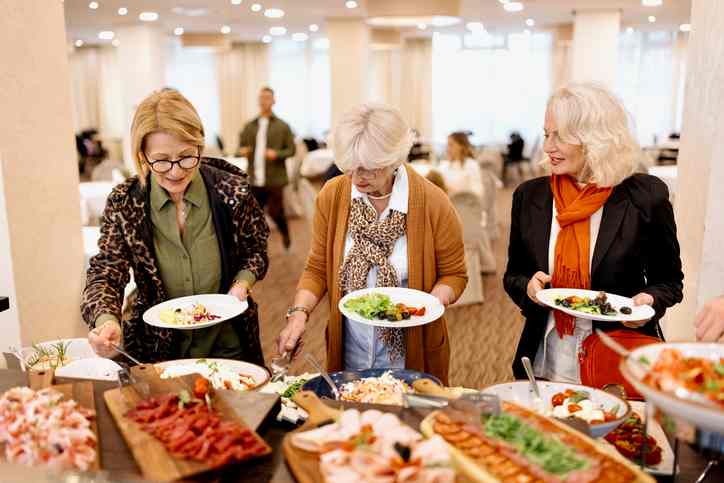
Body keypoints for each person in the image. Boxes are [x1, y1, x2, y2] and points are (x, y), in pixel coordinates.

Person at [275, 103, 468, 384]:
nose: (357, 178)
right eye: (350, 167)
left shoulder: (433, 202)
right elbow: (317, 268)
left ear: (394, 158)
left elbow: (455, 274)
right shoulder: (333, 195)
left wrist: (430, 304)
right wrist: (298, 314)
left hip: (412, 353)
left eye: (368, 168)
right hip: (350, 349)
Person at [504, 83, 684, 381]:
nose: (547, 147)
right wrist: (529, 287)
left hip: (615, 357)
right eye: (547, 134)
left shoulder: (644, 197)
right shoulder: (530, 197)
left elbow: (669, 282)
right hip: (546, 358)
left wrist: (647, 303)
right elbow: (513, 275)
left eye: (560, 136)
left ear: (594, 138)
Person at [82, 88, 270, 364]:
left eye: (186, 156)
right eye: (161, 160)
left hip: (228, 343)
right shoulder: (124, 203)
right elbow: (106, 272)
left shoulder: (231, 190)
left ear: (199, 146)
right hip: (157, 350)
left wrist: (241, 284)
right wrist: (107, 319)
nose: (176, 170)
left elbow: (256, 249)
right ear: (142, 156)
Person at [238, 87, 296, 250]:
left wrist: (276, 154)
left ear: (274, 101)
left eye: (267, 98)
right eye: (261, 98)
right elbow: (239, 147)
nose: (264, 101)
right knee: (254, 215)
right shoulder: (249, 126)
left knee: (276, 212)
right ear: (258, 101)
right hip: (255, 178)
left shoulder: (283, 126)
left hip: (275, 179)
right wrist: (242, 150)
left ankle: (285, 235)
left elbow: (291, 150)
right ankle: (257, 246)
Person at [438, 131, 483, 197]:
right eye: (447, 145)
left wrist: (452, 189)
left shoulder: (471, 165)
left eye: (451, 145)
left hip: (461, 204)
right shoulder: (444, 165)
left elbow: (477, 193)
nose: (447, 149)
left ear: (461, 147)